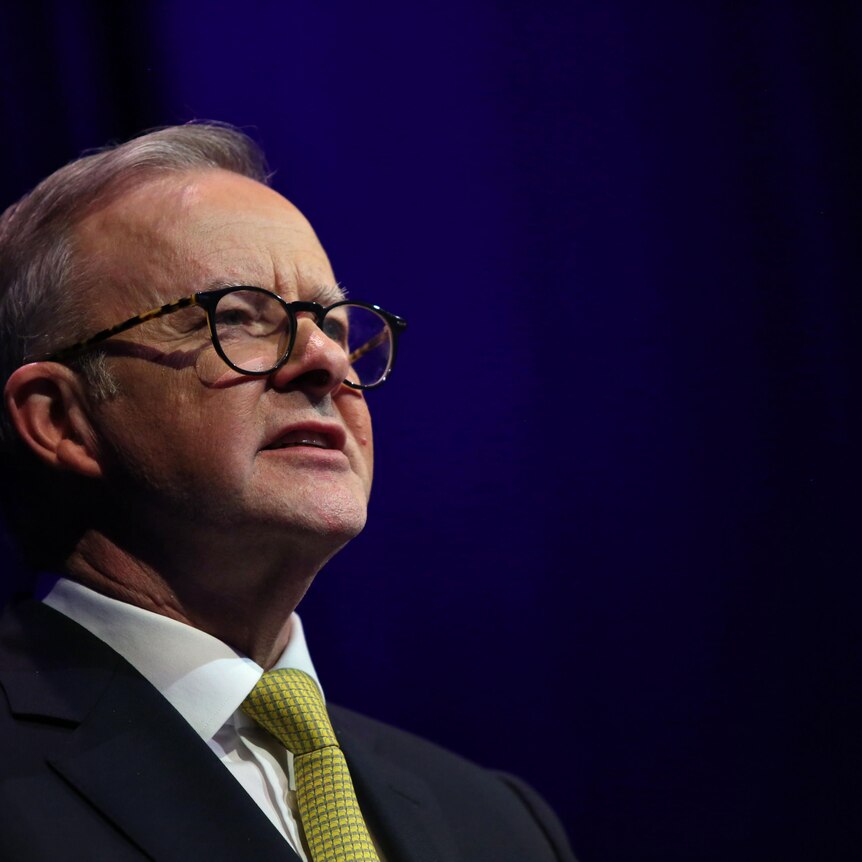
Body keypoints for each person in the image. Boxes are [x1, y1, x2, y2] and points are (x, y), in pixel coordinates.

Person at [0, 122, 575, 861]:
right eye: (238, 318)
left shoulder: (497, 824)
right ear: (62, 421)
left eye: (335, 325)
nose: (326, 361)